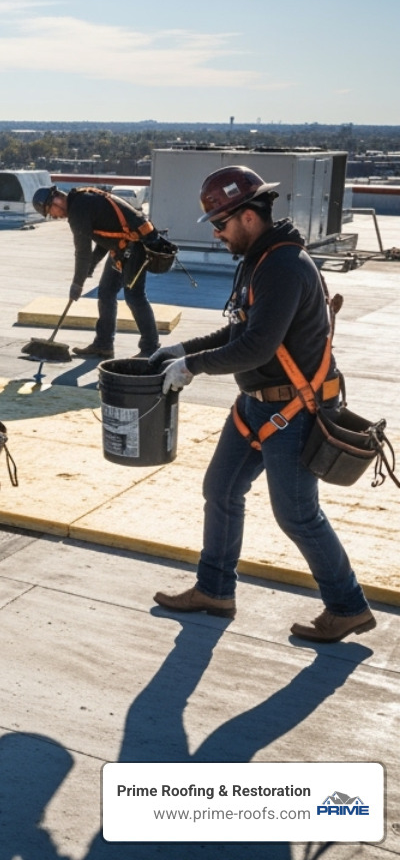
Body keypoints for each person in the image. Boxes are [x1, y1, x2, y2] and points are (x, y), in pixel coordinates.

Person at [152, 166, 375, 643]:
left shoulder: (283, 266)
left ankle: (348, 606)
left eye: (220, 224)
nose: (216, 233)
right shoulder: (259, 259)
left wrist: (193, 368)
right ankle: (214, 591)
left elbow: (256, 347)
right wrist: (182, 351)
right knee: (222, 489)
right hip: (257, 405)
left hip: (292, 411)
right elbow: (240, 331)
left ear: (248, 217)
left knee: (296, 514)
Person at [32, 185, 164, 360]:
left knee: (134, 295)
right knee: (106, 292)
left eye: (51, 212)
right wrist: (91, 266)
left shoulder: (78, 209)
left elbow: (82, 252)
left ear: (56, 198)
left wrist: (77, 283)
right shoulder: (82, 200)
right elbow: (106, 235)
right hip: (122, 246)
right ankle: (103, 345)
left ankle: (150, 348)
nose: (55, 216)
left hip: (136, 245)